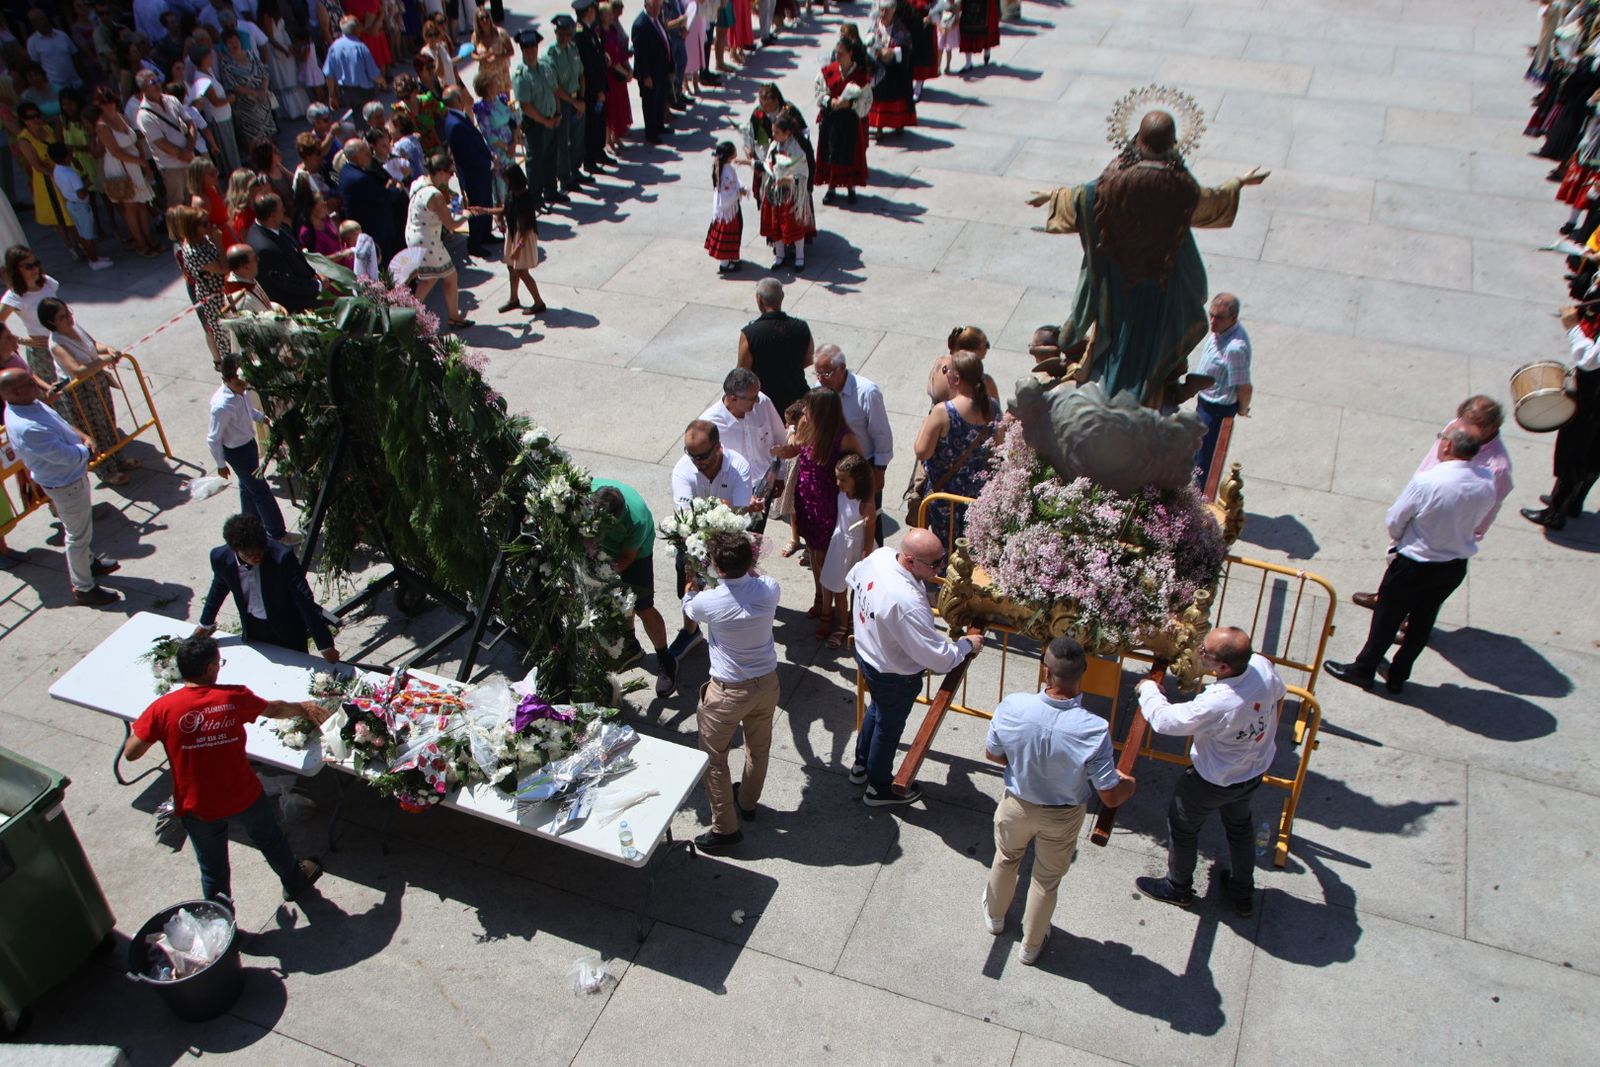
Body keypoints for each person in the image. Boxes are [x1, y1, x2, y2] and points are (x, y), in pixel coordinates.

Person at [1028, 111, 1269, 408]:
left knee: (1114, 340)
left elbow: (1086, 196)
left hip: (1117, 281)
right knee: (1153, 347)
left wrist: (1054, 197)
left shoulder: (1117, 174)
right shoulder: (1178, 184)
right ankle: (1148, 394)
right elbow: (1206, 202)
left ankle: (1110, 390)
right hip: (1161, 284)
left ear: (1137, 138)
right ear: (1172, 142)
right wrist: (1238, 183)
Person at [123, 634, 327, 904]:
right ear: (208, 668)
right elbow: (273, 709)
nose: (219, 667)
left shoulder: (163, 708)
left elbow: (131, 753)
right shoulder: (232, 698)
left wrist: (157, 727)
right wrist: (303, 708)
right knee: (271, 841)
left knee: (213, 868)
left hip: (197, 805)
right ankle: (294, 882)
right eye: (219, 663)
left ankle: (220, 923)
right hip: (243, 795)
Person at [983, 636, 1135, 963]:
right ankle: (1032, 944)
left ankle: (995, 918)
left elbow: (993, 754)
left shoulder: (1013, 706)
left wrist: (1024, 766)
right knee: (1046, 880)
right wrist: (1130, 786)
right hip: (1062, 816)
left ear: (1045, 671)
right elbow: (1109, 794)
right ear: (1084, 672)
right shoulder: (1094, 729)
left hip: (1017, 805)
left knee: (1006, 859)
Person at [1325, 425, 1498, 695]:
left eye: (1443, 438)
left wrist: (1398, 541)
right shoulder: (1487, 479)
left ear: (1448, 447)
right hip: (1453, 566)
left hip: (1414, 564)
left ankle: (1364, 669)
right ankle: (1398, 675)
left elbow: (1396, 519)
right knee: (1423, 621)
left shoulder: (1428, 481)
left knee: (1387, 619)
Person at [1133, 627, 1286, 918]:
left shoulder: (1219, 702)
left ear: (1223, 667)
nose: (1199, 652)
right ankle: (1242, 893)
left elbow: (1166, 721)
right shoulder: (1262, 667)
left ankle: (1177, 887)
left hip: (1211, 781)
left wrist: (1148, 689)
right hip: (1252, 772)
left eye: (1204, 652)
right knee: (1240, 829)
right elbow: (1279, 693)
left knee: (1183, 828)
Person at [847, 528, 983, 806]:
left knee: (878, 711)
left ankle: (861, 766)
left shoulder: (881, 557)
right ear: (909, 561)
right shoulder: (906, 602)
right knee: (888, 727)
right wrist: (966, 646)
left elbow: (854, 580)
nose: (941, 568)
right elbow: (939, 658)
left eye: (943, 559)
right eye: (934, 564)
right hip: (894, 674)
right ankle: (879, 788)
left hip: (869, 655)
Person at [683, 530, 780, 853]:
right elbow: (752, 577)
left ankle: (726, 828)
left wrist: (689, 589)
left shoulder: (709, 602)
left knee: (714, 760)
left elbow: (691, 611)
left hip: (727, 692)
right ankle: (748, 802)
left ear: (717, 567)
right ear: (751, 560)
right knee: (759, 748)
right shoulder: (769, 590)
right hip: (766, 684)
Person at [0, 367, 120, 605]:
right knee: (77, 535)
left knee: (81, 529)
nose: (37, 385)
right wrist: (86, 449)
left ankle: (88, 562)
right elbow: (61, 455)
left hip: (71, 478)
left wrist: (84, 436)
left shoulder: (30, 404)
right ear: (14, 392)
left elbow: (60, 422)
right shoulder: (27, 427)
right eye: (29, 383)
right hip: (66, 484)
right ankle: (84, 587)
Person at [662, 419, 755, 694]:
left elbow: (740, 516)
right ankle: (690, 631)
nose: (697, 462)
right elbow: (687, 521)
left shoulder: (738, 467)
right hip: (695, 538)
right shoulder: (683, 470)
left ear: (718, 447)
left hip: (730, 539)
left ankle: (735, 637)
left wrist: (726, 511)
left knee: (733, 592)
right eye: (691, 455)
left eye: (702, 456)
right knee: (688, 587)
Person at [774, 387, 862, 630]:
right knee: (813, 551)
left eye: (808, 407)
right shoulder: (805, 423)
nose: (803, 410)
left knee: (825, 557)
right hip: (806, 496)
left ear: (822, 411)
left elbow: (859, 469)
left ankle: (827, 611)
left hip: (828, 502)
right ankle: (820, 597)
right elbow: (796, 448)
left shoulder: (844, 437)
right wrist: (783, 449)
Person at [197, 513, 340, 658]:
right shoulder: (220, 558)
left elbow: (303, 599)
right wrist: (204, 626)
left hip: (287, 627)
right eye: (250, 554)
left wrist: (325, 645)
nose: (257, 557)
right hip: (254, 627)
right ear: (235, 550)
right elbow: (218, 590)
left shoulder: (282, 557)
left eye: (260, 551)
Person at [38, 297, 140, 485]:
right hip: (81, 391)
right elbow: (77, 370)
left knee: (109, 421)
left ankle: (118, 457)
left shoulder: (75, 327)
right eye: (62, 317)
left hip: (97, 380)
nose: (68, 318)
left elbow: (93, 345)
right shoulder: (56, 343)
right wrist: (104, 360)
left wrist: (108, 349)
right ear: (51, 322)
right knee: (95, 428)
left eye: (68, 312)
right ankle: (106, 470)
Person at [1522, 311, 1600, 529]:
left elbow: (1589, 360)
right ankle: (1572, 502)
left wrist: (1573, 327)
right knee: (1593, 453)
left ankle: (1555, 513)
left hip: (1593, 400)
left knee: (1574, 452)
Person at [208, 355, 297, 543]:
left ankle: (250, 525)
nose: (243, 387)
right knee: (261, 491)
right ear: (226, 380)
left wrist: (261, 418)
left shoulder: (242, 392)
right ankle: (278, 533)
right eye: (239, 384)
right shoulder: (221, 407)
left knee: (247, 488)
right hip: (237, 453)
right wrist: (220, 464)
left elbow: (248, 410)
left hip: (248, 445)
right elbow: (213, 438)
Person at [914, 351, 997, 545]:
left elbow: (922, 451)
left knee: (944, 551)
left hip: (944, 500)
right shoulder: (992, 407)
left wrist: (927, 420)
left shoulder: (943, 411)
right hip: (977, 497)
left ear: (956, 378)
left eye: (946, 370)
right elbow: (999, 445)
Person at [590, 478, 669, 680]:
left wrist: (602, 574)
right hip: (603, 549)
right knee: (621, 602)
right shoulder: (588, 491)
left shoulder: (636, 521)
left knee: (642, 605)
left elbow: (627, 558)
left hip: (635, 553)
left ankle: (665, 659)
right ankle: (630, 648)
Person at [1182, 292, 1252, 490]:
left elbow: (1245, 386)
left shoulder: (1235, 348)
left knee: (1208, 465)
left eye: (1219, 318)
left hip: (1218, 412)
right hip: (1204, 404)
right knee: (1196, 457)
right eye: (1211, 315)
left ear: (1233, 318)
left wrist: (1243, 409)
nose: (1212, 321)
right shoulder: (1219, 332)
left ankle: (1202, 507)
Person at [404, 152, 472, 329]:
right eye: (450, 173)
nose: (451, 177)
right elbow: (451, 225)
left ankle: (409, 316)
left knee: (429, 278)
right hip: (428, 242)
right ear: (441, 172)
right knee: (450, 276)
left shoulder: (418, 183)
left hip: (414, 236)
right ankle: (454, 317)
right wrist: (466, 216)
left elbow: (430, 210)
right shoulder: (436, 195)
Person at [93, 84, 160, 258]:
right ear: (99, 105)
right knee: (130, 207)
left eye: (110, 102)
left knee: (142, 204)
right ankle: (141, 242)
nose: (109, 105)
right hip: (120, 167)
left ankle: (149, 238)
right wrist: (140, 162)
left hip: (135, 164)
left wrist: (142, 161)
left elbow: (135, 138)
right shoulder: (102, 126)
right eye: (104, 103)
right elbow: (115, 151)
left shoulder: (121, 116)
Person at [819, 452, 876, 649]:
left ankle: (857, 622)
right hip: (840, 545)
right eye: (837, 478)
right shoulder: (841, 494)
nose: (838, 483)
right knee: (838, 588)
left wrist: (864, 559)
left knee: (860, 591)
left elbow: (869, 536)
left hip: (858, 549)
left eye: (843, 479)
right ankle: (842, 625)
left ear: (857, 480)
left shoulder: (865, 504)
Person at [700, 367, 784, 496]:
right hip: (733, 493)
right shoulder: (709, 424)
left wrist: (780, 476)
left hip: (766, 484)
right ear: (733, 399)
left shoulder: (763, 402)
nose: (758, 400)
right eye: (753, 398)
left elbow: (780, 439)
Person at [738, 278, 814, 418]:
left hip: (765, 406)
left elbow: (742, 374)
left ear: (759, 300)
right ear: (782, 297)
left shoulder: (749, 334)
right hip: (798, 402)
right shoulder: (802, 327)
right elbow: (809, 360)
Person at [813, 37, 873, 205]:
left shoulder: (859, 76)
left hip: (850, 123)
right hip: (832, 121)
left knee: (850, 155)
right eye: (836, 53)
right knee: (831, 154)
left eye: (841, 53)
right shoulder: (828, 71)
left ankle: (850, 188)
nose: (837, 57)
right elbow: (818, 92)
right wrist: (829, 101)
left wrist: (851, 104)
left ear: (850, 54)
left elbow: (867, 100)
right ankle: (831, 188)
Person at [440, 86, 497, 258]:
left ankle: (485, 234)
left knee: (486, 202)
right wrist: (484, 163)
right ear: (457, 100)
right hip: (474, 172)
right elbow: (466, 154)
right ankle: (475, 242)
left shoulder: (458, 117)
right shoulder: (455, 123)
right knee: (478, 205)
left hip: (481, 169)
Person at [173, 206, 231, 368]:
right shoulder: (193, 252)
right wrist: (219, 244)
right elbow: (223, 268)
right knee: (225, 336)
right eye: (205, 224)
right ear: (193, 228)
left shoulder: (205, 239)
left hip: (224, 292)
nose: (210, 226)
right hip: (215, 300)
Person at [134, 69, 199, 213]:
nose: (157, 85)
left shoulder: (172, 100)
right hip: (171, 165)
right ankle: (177, 234)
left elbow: (190, 123)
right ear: (143, 88)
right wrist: (182, 154)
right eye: (152, 82)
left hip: (188, 157)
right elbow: (161, 143)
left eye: (157, 80)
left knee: (193, 197)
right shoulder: (144, 115)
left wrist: (189, 148)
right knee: (177, 203)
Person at [512, 28, 563, 204]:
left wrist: (557, 113)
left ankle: (551, 190)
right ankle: (535, 198)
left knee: (550, 157)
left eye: (533, 47)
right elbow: (526, 106)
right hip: (536, 125)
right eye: (527, 48)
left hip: (552, 120)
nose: (531, 51)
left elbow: (554, 90)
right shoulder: (522, 75)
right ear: (522, 50)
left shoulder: (545, 67)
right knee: (536, 162)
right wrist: (545, 121)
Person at [247, 193, 322, 313]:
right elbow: (285, 282)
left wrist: (315, 272)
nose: (284, 210)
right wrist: (318, 285)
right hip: (297, 305)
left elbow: (296, 251)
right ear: (272, 215)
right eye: (281, 208)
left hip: (307, 287)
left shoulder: (278, 227)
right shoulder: (264, 248)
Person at [338, 137, 406, 260]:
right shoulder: (360, 178)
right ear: (354, 157)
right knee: (388, 263)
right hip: (376, 230)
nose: (369, 155)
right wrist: (398, 189)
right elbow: (384, 197)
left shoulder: (345, 170)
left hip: (370, 226)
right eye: (364, 152)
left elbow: (373, 194)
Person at [46, 143, 109, 269]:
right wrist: (86, 184)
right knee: (88, 235)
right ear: (66, 157)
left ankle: (94, 257)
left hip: (71, 204)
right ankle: (94, 261)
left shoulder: (56, 170)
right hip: (80, 206)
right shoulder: (71, 174)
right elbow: (81, 194)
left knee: (83, 233)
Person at [760, 112, 810, 271]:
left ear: (788, 133)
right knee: (775, 225)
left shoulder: (796, 149)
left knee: (794, 225)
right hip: (775, 192)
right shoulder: (774, 145)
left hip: (790, 195)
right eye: (773, 131)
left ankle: (800, 257)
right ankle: (779, 256)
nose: (773, 135)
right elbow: (768, 162)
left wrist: (787, 178)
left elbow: (802, 173)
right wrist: (771, 171)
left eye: (776, 132)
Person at [545, 14, 588, 196]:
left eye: (568, 34)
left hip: (577, 98)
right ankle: (564, 177)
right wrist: (574, 103)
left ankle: (575, 170)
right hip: (563, 102)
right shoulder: (551, 54)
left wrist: (582, 100)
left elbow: (581, 75)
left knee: (578, 137)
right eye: (562, 34)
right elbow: (556, 87)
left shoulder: (573, 49)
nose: (565, 38)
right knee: (563, 141)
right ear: (556, 32)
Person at [218, 28, 277, 154]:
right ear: (225, 45)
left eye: (235, 41)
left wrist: (262, 90)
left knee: (267, 134)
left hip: (262, 101)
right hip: (246, 106)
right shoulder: (226, 62)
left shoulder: (250, 54)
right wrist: (254, 93)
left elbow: (264, 73)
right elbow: (233, 85)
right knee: (252, 139)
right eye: (229, 42)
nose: (234, 44)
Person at [496, 165, 545, 314]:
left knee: (522, 270)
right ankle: (513, 299)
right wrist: (484, 211)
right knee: (511, 268)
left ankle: (539, 302)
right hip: (513, 234)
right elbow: (505, 210)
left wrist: (517, 247)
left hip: (523, 238)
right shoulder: (511, 194)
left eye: (506, 180)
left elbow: (528, 228)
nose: (505, 183)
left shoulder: (525, 197)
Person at [573, 0, 612, 172]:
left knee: (599, 122)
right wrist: (598, 91)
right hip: (590, 90)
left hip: (598, 86)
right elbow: (587, 67)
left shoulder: (589, 30)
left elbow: (595, 56)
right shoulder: (581, 34)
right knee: (591, 125)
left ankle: (599, 151)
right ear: (589, 11)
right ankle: (590, 160)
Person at [867, 1, 916, 135]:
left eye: (887, 10)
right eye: (882, 10)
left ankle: (898, 124)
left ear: (893, 11)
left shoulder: (901, 29)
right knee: (878, 96)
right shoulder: (875, 27)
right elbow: (867, 44)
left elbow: (907, 48)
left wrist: (893, 52)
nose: (883, 13)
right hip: (879, 70)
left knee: (896, 96)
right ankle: (879, 128)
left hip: (896, 72)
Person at [323, 16, 386, 115]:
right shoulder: (360, 47)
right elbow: (373, 73)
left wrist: (332, 95)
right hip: (364, 92)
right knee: (370, 118)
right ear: (355, 30)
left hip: (347, 92)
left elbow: (329, 73)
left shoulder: (334, 47)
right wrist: (382, 82)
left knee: (358, 118)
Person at [631, 0, 673, 145]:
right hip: (649, 74)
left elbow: (665, 42)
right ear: (646, 6)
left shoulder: (657, 20)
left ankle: (659, 126)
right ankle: (651, 133)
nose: (656, 9)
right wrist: (646, 76)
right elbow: (641, 55)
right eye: (653, 6)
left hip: (660, 71)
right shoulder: (640, 25)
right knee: (650, 103)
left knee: (660, 100)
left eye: (658, 6)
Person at [928, 324, 1000, 403]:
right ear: (973, 352)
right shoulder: (981, 381)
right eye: (986, 345)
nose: (987, 348)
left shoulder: (939, 362)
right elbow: (996, 413)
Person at [705, 140, 746, 273]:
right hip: (728, 210)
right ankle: (725, 263)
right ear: (730, 156)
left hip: (728, 208)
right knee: (728, 235)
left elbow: (733, 183)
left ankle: (732, 258)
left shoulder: (723, 168)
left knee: (733, 233)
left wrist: (739, 187)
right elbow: (727, 192)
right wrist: (740, 191)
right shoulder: (726, 171)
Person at [600, 1, 634, 153]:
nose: (609, 17)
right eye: (605, 14)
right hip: (611, 77)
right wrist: (625, 73)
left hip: (619, 77)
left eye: (609, 14)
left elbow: (620, 51)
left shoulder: (613, 30)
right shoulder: (601, 35)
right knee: (610, 110)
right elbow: (611, 61)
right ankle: (608, 141)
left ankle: (616, 136)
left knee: (620, 107)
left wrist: (629, 69)